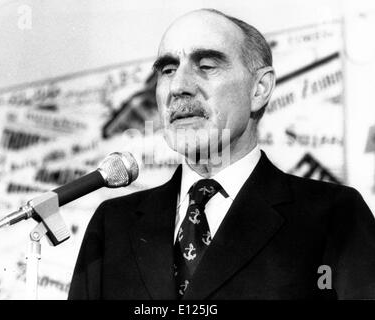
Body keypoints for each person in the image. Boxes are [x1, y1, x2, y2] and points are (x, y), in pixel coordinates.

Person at [68, 8, 375, 300]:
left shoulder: (336, 216)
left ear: (259, 89)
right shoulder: (113, 226)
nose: (179, 86)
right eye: (168, 69)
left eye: (206, 66)